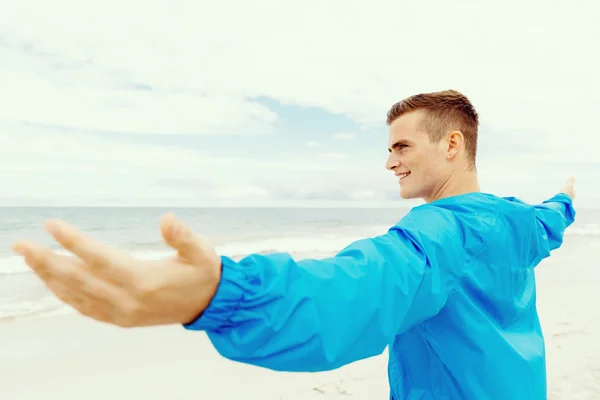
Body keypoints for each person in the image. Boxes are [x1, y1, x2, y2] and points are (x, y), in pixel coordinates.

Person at [13, 90, 576, 400]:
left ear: (452, 144)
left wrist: (219, 295)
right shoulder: (516, 220)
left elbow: (359, 290)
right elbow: (551, 220)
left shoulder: (440, 233)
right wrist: (567, 198)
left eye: (401, 146)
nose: (388, 161)